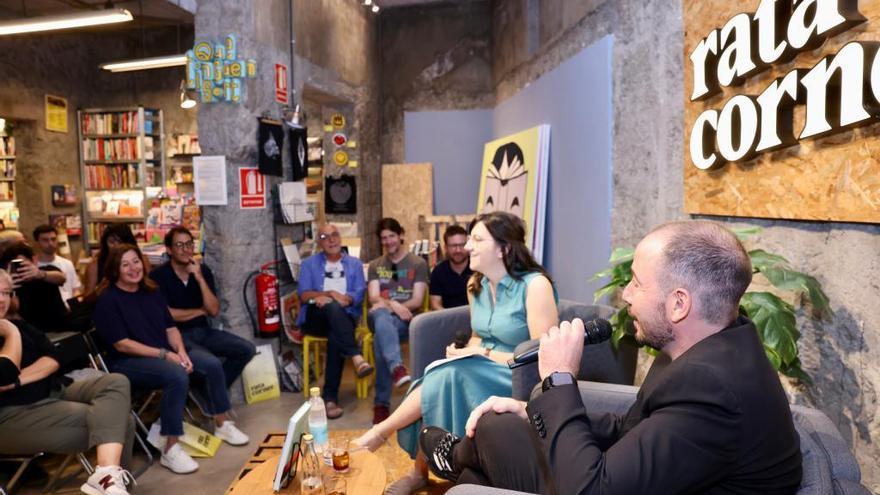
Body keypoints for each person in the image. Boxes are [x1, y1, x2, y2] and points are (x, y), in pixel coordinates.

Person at [419, 220, 803, 494]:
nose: (627, 296)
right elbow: (634, 428)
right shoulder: (706, 344)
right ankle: (461, 458)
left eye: (636, 283)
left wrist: (558, 381)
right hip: (634, 477)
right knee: (498, 422)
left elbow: (590, 489)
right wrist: (530, 409)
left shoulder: (712, 387)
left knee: (474, 479)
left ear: (679, 304)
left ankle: (459, 461)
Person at [354, 211, 559, 495]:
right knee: (444, 373)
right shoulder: (476, 284)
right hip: (480, 365)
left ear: (504, 248)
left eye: (477, 239)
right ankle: (418, 469)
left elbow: (541, 355)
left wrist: (481, 353)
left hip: (518, 374)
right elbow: (479, 335)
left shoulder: (535, 286)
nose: (467, 247)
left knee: (445, 376)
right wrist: (466, 350)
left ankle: (388, 441)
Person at [93, 244, 249, 476]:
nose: (133, 268)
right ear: (115, 269)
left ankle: (222, 424)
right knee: (176, 375)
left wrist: (181, 351)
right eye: (125, 264)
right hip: (127, 361)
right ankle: (170, 447)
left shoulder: (151, 290)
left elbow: (170, 326)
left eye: (135, 261)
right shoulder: (108, 299)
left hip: (164, 352)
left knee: (211, 364)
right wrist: (166, 355)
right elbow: (122, 344)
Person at [0, 269, 137, 495]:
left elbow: (54, 357)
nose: (2, 299)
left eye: (6, 293)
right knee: (122, 423)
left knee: (116, 382)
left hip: (52, 390)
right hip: (12, 414)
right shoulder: (12, 328)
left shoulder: (18, 325)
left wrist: (17, 381)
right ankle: (111, 484)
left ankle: (107, 476)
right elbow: (4, 372)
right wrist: (11, 334)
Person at [149, 227, 256, 414]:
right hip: (178, 337)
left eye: (189, 244)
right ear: (169, 250)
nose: (185, 249)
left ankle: (206, 394)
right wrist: (199, 311)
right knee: (211, 363)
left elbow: (213, 310)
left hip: (204, 331)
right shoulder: (158, 276)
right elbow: (167, 315)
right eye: (179, 245)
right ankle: (216, 406)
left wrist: (198, 278)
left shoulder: (202, 271)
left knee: (246, 349)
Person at [296, 224, 372, 419]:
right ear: (319, 242)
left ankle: (329, 399)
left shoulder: (354, 264)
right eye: (325, 236)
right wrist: (328, 294)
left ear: (340, 238)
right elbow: (304, 295)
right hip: (315, 317)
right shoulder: (308, 264)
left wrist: (347, 299)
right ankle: (357, 357)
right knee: (331, 307)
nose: (331, 240)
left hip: (344, 317)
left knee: (335, 332)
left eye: (335, 235)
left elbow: (359, 292)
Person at [366, 218, 428, 425]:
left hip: (406, 321)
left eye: (391, 236)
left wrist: (396, 307)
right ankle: (397, 368)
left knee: (381, 339)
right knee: (382, 317)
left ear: (401, 235)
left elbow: (417, 300)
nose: (388, 241)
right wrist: (394, 305)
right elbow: (374, 297)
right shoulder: (375, 265)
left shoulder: (418, 264)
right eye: (384, 238)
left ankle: (381, 404)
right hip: (381, 316)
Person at [0, 242, 69, 333]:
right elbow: (12, 311)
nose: (20, 269)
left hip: (60, 329)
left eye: (22, 264)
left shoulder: (46, 270)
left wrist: (40, 274)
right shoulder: (9, 287)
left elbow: (61, 278)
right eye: (14, 266)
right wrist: (9, 290)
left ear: (34, 260)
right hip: (32, 333)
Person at [33, 224, 82, 302]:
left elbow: (75, 289)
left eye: (53, 239)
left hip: (68, 310)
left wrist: (75, 304)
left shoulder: (67, 264)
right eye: (45, 240)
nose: (50, 243)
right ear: (37, 242)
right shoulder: (32, 266)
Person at [84, 224, 139, 295]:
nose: (116, 246)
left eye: (120, 242)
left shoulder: (141, 260)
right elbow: (86, 302)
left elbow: (150, 287)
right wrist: (99, 290)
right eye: (111, 242)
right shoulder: (94, 266)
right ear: (105, 244)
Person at [428, 225, 472, 310]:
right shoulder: (438, 272)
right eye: (453, 246)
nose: (458, 250)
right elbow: (435, 304)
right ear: (446, 248)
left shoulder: (478, 270)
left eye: (462, 245)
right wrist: (451, 320)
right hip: (447, 318)